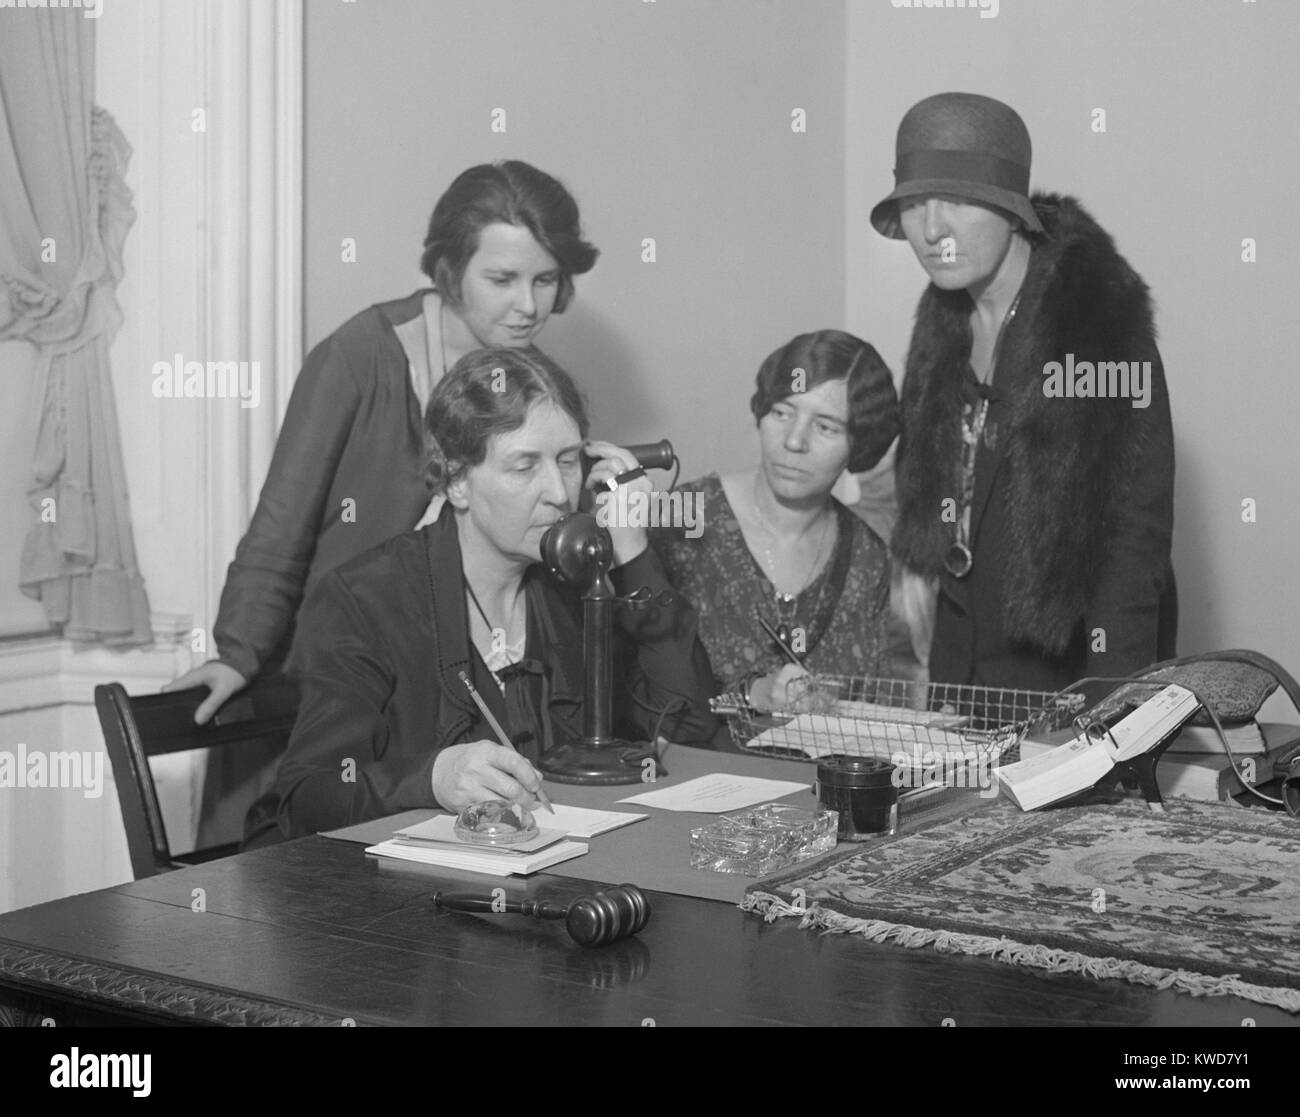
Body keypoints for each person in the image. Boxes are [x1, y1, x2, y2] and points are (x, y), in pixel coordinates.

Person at [168, 161, 598, 722]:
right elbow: (281, 525)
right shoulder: (359, 355)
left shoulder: (538, 387)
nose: (528, 306)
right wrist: (238, 652)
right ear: (450, 270)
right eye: (502, 280)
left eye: (544, 280)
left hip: (463, 681)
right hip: (340, 666)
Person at [244, 348, 718, 845]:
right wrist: (432, 777)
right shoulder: (366, 598)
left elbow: (689, 726)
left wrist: (633, 552)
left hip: (552, 877)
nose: (558, 492)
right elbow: (308, 796)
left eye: (568, 460)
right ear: (456, 482)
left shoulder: (579, 583)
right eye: (524, 467)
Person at [872, 92, 1176, 692]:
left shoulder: (1095, 324)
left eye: (957, 201)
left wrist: (1113, 720)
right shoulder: (942, 323)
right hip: (964, 676)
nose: (933, 230)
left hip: (1069, 674)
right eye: (915, 204)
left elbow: (1131, 545)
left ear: (1013, 211)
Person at [651, 330, 899, 712]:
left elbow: (870, 710)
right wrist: (751, 696)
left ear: (859, 444)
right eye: (782, 413)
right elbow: (644, 691)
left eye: (826, 427)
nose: (794, 441)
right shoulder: (685, 518)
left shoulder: (866, 557)